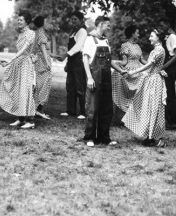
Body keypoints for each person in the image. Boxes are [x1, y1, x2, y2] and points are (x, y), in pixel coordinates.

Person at [122, 29, 167, 147]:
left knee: (154, 108)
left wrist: (134, 71)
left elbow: (149, 64)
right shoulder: (156, 50)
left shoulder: (160, 50)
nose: (149, 38)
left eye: (152, 36)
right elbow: (153, 66)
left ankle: (156, 138)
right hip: (151, 80)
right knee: (148, 108)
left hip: (155, 82)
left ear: (158, 37)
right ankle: (149, 136)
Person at [82, 16, 122, 147]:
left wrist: (122, 71)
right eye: (107, 25)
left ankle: (104, 138)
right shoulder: (90, 39)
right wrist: (89, 77)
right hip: (94, 78)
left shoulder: (106, 41)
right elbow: (85, 60)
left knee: (106, 109)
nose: (109, 27)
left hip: (106, 79)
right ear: (100, 25)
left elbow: (109, 62)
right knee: (92, 109)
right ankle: (89, 138)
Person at [0, 12, 36, 129]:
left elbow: (24, 50)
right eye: (18, 20)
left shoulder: (31, 34)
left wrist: (11, 59)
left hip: (26, 65)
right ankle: (20, 118)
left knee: (25, 90)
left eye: (21, 20)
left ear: (27, 22)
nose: (19, 22)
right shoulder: (21, 34)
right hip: (19, 64)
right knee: (17, 90)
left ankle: (30, 120)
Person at [58, 11, 87, 119]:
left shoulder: (82, 31)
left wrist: (66, 55)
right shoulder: (73, 32)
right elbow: (71, 48)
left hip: (79, 61)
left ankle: (83, 112)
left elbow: (78, 47)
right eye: (72, 19)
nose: (73, 21)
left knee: (80, 86)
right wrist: (67, 63)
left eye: (75, 19)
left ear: (81, 20)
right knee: (70, 86)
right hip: (72, 61)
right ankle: (71, 111)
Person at [112, 25, 146, 114]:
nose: (138, 35)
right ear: (132, 34)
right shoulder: (125, 45)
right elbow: (124, 61)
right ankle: (125, 115)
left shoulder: (138, 46)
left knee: (139, 93)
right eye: (137, 33)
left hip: (139, 71)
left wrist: (152, 64)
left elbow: (142, 60)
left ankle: (136, 115)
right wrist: (116, 64)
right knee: (128, 93)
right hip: (130, 70)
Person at [161, 26, 176, 130]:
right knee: (166, 94)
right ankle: (169, 120)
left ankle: (173, 122)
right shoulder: (166, 37)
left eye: (162, 24)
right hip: (167, 67)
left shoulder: (173, 37)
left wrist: (165, 66)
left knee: (170, 95)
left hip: (171, 68)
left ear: (168, 25)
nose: (160, 27)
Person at [32, 16, 52, 120]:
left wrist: (52, 55)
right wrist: (47, 62)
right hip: (43, 63)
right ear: (42, 23)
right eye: (46, 21)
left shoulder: (37, 33)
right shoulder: (41, 33)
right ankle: (39, 109)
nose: (48, 23)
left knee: (40, 85)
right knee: (44, 85)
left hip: (40, 62)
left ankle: (37, 109)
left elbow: (42, 49)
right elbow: (43, 49)